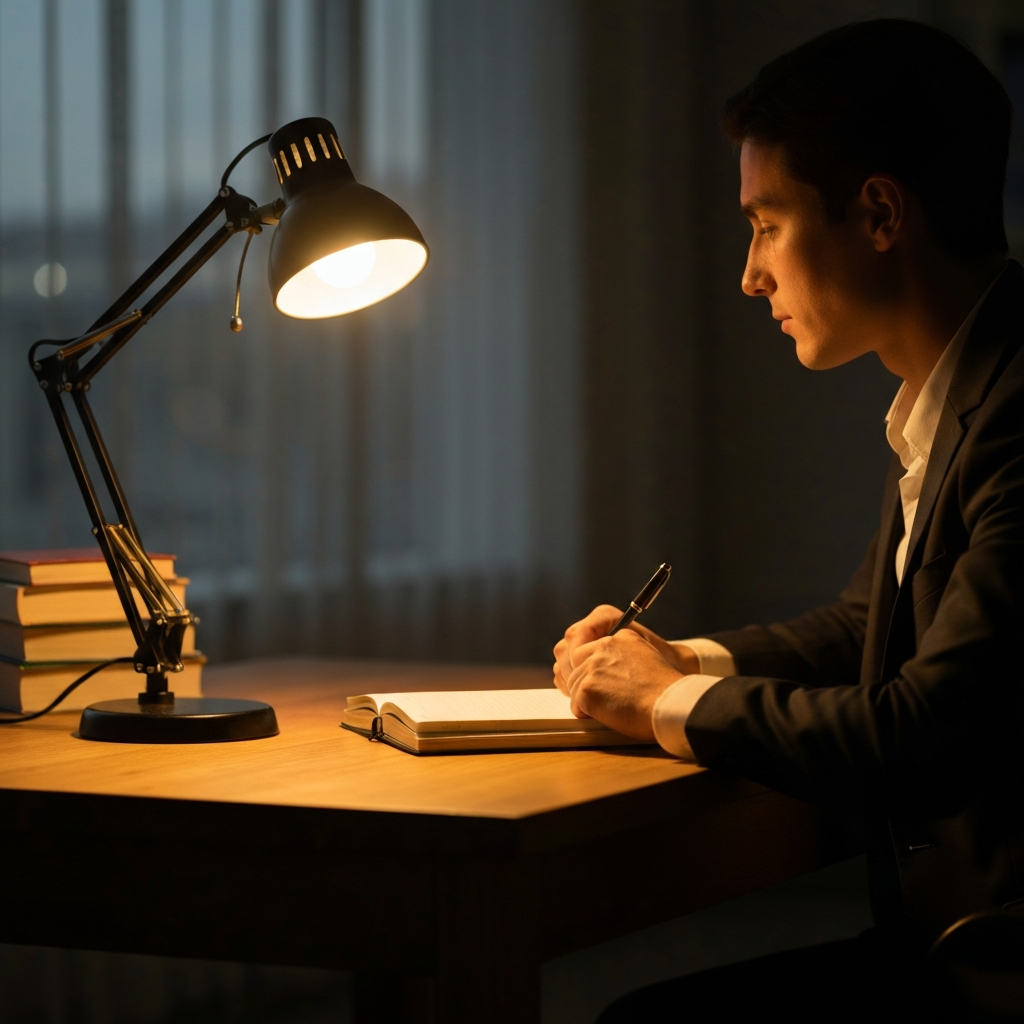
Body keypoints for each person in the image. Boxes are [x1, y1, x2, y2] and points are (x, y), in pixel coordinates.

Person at [553, 19, 1024, 1023]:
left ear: (880, 214)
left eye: (766, 223)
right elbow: (864, 629)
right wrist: (678, 660)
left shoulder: (1020, 411)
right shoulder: (967, 389)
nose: (749, 274)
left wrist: (664, 706)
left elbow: (922, 733)